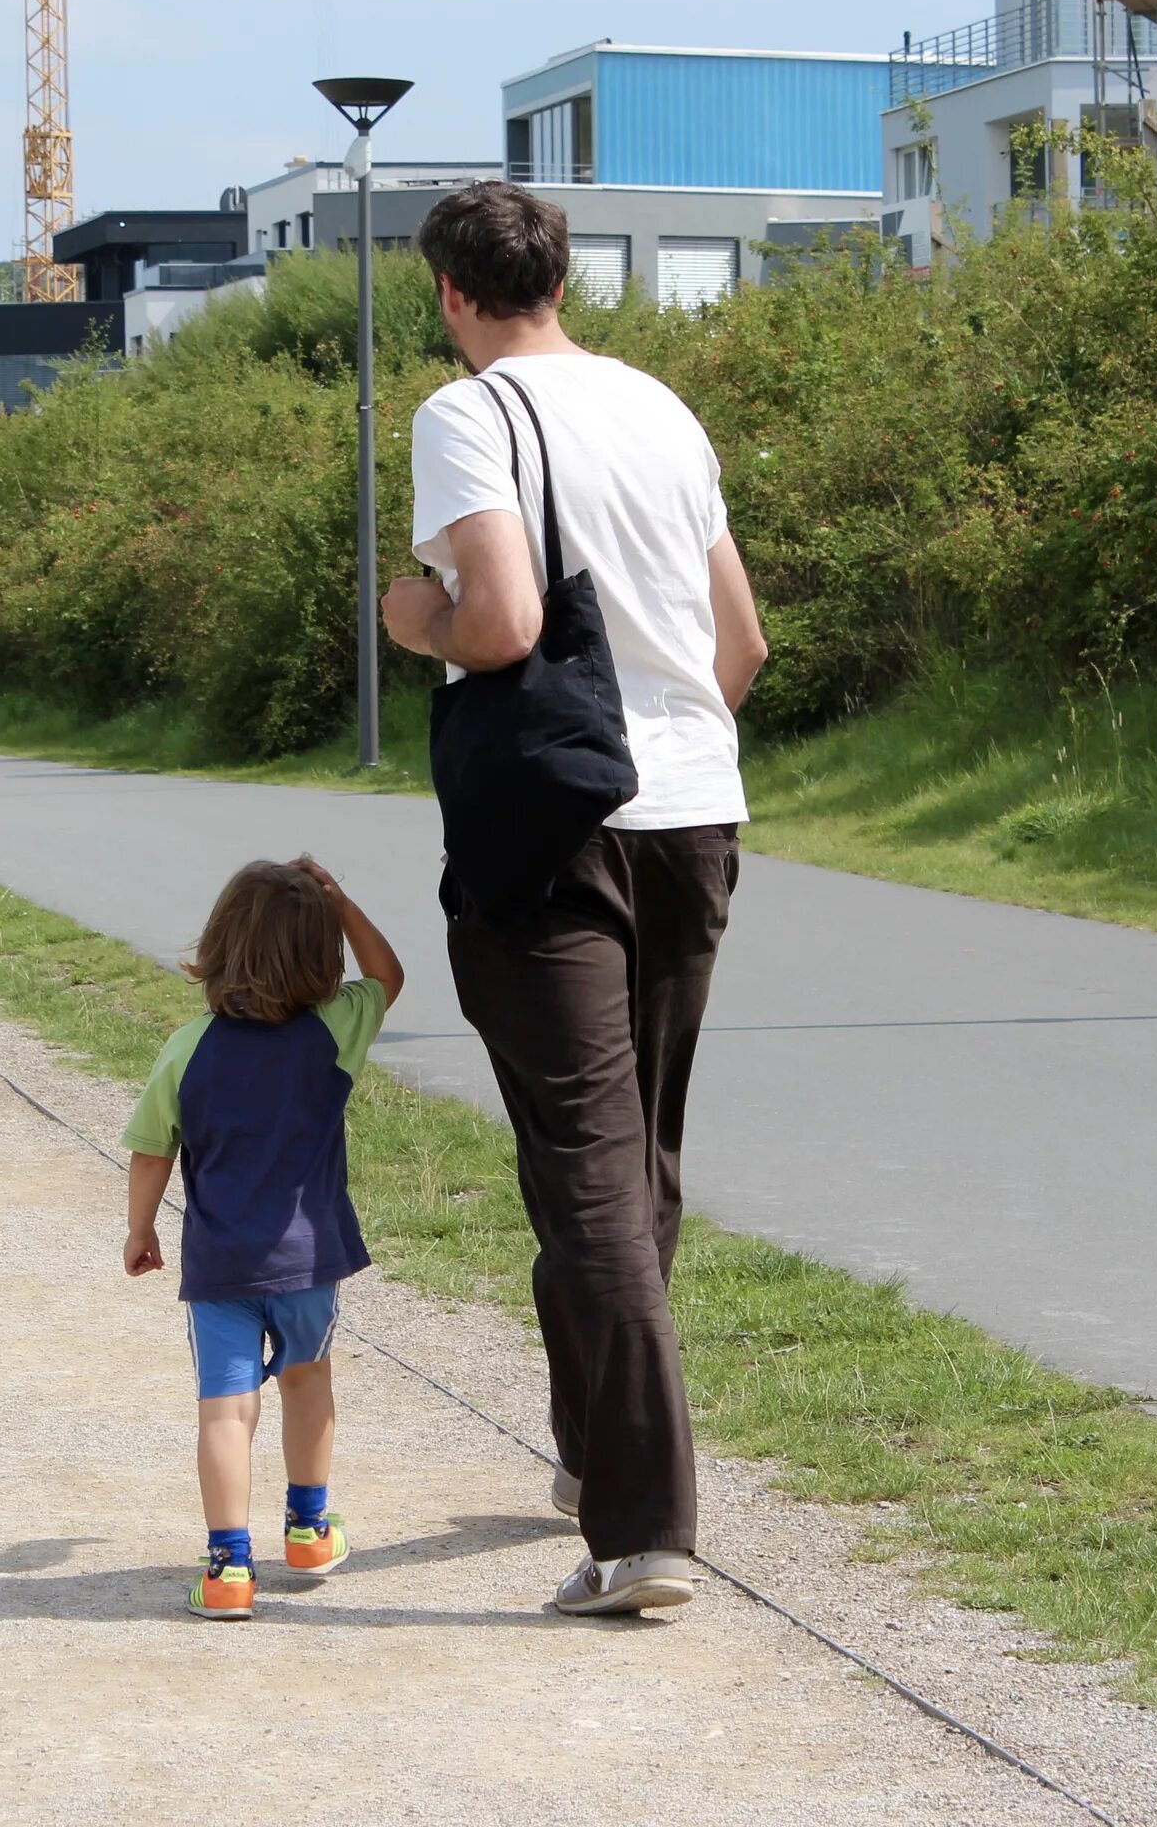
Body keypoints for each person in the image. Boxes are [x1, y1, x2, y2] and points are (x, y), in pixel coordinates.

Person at [381, 182, 770, 1619]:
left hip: (558, 833)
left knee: (585, 1165)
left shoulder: (466, 415)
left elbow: (501, 622)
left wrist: (404, 613)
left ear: (450, 292)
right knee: (634, 1154)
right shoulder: (662, 409)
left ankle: (645, 1527)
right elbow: (743, 640)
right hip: (692, 813)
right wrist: (670, 743)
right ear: (561, 278)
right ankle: (591, 1450)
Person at [123, 856, 403, 1621]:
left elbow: (153, 1150)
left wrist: (140, 1227)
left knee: (225, 1409)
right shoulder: (334, 1030)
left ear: (219, 946)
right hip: (310, 1260)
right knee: (307, 1382)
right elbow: (388, 975)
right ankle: (310, 1530)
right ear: (320, 957)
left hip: (220, 1266)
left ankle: (229, 1572)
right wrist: (341, 900)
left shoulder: (187, 1047)